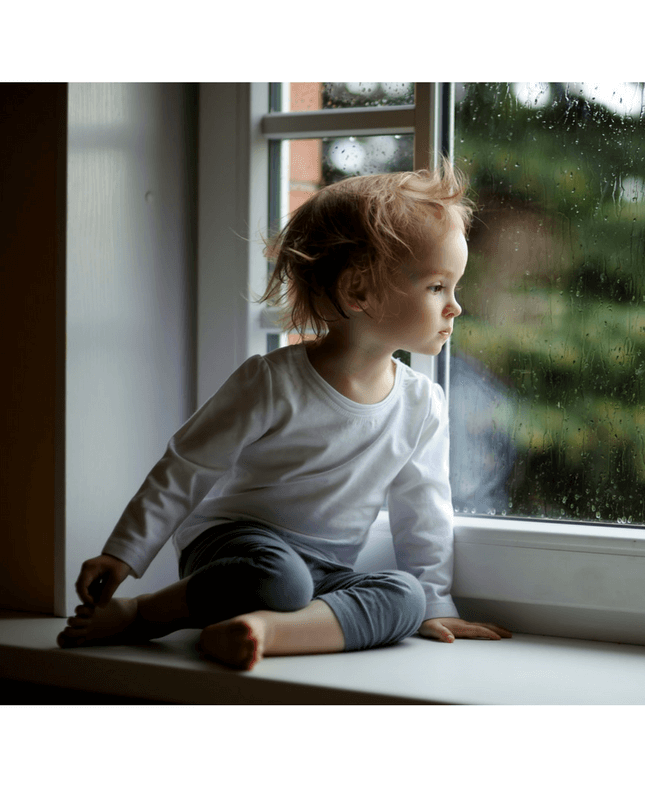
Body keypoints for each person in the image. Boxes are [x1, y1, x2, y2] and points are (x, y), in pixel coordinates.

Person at [57, 164, 511, 670]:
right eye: (436, 287)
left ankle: (259, 632)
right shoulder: (272, 381)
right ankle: (144, 614)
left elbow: (424, 508)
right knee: (279, 579)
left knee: (403, 598)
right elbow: (186, 467)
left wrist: (435, 603)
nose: (455, 308)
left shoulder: (422, 403)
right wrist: (124, 553)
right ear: (359, 292)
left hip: (327, 569)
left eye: (455, 288)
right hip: (238, 551)